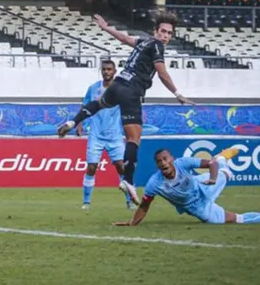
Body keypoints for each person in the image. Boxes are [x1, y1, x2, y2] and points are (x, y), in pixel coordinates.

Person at [57, 12, 195, 205]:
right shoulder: (156, 45)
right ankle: (128, 182)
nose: (165, 36)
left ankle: (73, 121)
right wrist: (177, 93)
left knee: (100, 103)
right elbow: (162, 72)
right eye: (163, 31)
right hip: (131, 91)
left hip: (118, 84)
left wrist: (106, 28)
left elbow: (123, 38)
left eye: (169, 33)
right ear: (156, 31)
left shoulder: (143, 42)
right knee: (134, 139)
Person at [113, 148, 260, 226]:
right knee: (238, 221)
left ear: (172, 159)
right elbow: (144, 206)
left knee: (224, 171)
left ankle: (222, 157)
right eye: (159, 161)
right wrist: (132, 223)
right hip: (197, 208)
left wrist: (212, 178)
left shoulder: (183, 163)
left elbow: (210, 165)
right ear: (157, 165)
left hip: (203, 185)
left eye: (166, 159)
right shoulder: (155, 183)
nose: (163, 163)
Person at [76, 59, 132, 210]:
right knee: (92, 166)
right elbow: (85, 106)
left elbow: (128, 109)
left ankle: (129, 201)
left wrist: (129, 131)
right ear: (101, 71)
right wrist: (79, 123)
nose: (106, 72)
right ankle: (86, 202)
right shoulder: (93, 88)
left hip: (115, 135)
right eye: (104, 69)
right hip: (96, 134)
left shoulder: (121, 89)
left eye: (109, 69)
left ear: (114, 71)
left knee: (121, 167)